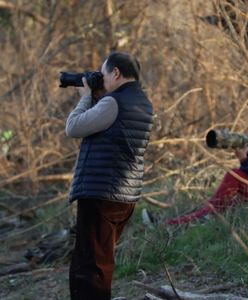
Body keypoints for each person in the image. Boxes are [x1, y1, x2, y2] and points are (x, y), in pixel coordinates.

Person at [65, 52, 153, 300]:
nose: (100, 79)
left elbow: (74, 127)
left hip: (101, 192)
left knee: (89, 267)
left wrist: (84, 99)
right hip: (125, 195)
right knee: (102, 261)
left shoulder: (113, 102)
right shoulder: (143, 102)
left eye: (103, 74)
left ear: (116, 73)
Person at [165, 118, 248, 225]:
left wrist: (245, 160)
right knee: (228, 204)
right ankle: (177, 221)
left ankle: (201, 216)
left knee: (234, 176)